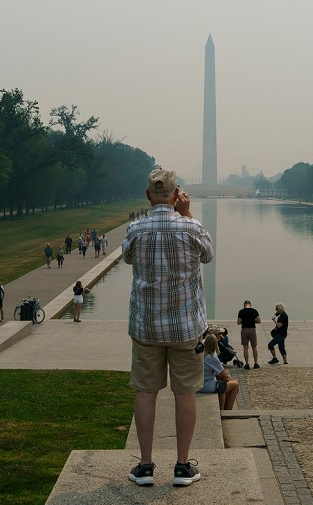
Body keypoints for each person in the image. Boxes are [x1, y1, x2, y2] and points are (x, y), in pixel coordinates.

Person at [123, 168, 213, 488]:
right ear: (177, 195)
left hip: (146, 326)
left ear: (148, 196)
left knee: (146, 391)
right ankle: (182, 466)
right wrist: (186, 215)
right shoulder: (190, 227)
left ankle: (145, 466)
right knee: (185, 393)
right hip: (185, 327)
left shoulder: (136, 228)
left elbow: (127, 258)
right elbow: (208, 255)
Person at [199, 333, 239, 411]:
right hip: (207, 386)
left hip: (200, 384)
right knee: (235, 386)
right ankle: (228, 411)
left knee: (224, 385)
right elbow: (223, 374)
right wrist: (232, 381)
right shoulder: (212, 357)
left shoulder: (201, 354)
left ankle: (223, 409)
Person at [237, 300, 261, 370]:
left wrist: (244, 321)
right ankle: (255, 363)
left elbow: (238, 322)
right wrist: (253, 321)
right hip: (252, 330)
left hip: (244, 330)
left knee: (245, 347)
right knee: (254, 347)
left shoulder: (241, 311)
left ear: (244, 305)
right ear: (250, 304)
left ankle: (247, 364)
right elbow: (259, 321)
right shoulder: (254, 311)